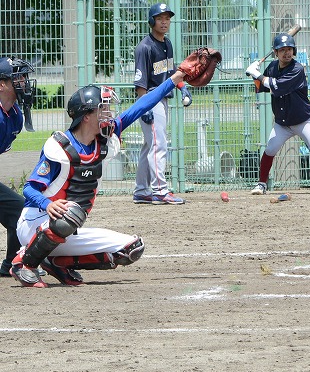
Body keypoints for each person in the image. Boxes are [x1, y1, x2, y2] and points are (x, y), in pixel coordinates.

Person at [9, 70, 188, 288]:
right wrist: (48, 204)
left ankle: (54, 262)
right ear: (86, 116)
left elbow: (141, 106)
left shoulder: (104, 139)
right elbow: (29, 189)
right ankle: (24, 264)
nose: (109, 114)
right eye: (102, 109)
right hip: (34, 224)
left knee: (131, 248)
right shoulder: (60, 147)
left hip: (67, 228)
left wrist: (174, 79)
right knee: (70, 213)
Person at [245, 32, 310, 195]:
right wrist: (255, 73)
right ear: (276, 52)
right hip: (282, 122)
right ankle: (261, 184)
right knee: (270, 150)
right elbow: (263, 86)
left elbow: (277, 87)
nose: (286, 53)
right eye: (282, 50)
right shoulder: (273, 67)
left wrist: (257, 74)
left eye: (289, 49)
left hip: (302, 120)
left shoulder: (297, 69)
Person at [132, 2, 192, 205]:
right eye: (160, 18)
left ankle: (142, 190)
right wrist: (144, 106)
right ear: (152, 21)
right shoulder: (144, 47)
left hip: (162, 98)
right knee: (159, 144)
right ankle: (159, 191)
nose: (164, 22)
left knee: (149, 145)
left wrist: (182, 86)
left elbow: (171, 70)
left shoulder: (167, 44)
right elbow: (140, 83)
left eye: (167, 18)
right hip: (150, 99)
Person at [0, 57, 36, 278]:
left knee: (20, 211)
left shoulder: (15, 116)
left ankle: (11, 264)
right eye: (17, 78)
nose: (24, 82)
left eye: (23, 77)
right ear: (1, 84)